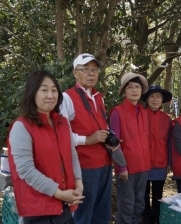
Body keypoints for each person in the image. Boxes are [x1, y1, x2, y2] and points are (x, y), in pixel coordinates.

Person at [8, 70, 84, 224]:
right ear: (32, 93)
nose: (50, 95)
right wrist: (59, 193)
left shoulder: (62, 123)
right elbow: (26, 170)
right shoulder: (21, 126)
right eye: (44, 90)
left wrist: (79, 182)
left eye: (54, 90)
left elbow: (72, 155)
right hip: (38, 210)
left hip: (65, 206)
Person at [60, 53, 119, 224]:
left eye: (94, 69)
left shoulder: (98, 97)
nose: (91, 73)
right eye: (85, 69)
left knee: (102, 214)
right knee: (82, 216)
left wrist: (109, 139)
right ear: (75, 73)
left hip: (105, 164)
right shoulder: (67, 97)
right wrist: (86, 140)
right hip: (84, 167)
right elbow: (60, 135)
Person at [110, 72, 150, 224]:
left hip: (144, 166)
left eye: (137, 87)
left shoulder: (143, 112)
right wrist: (121, 167)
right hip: (127, 167)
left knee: (139, 203)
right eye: (130, 87)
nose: (134, 90)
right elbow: (114, 143)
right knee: (127, 204)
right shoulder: (117, 112)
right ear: (123, 91)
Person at [140, 85, 172, 224]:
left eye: (158, 97)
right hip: (143, 162)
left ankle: (157, 219)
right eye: (152, 96)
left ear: (162, 100)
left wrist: (170, 162)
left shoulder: (166, 119)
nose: (155, 99)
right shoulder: (140, 114)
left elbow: (170, 142)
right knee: (144, 194)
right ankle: (146, 219)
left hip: (160, 162)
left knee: (158, 195)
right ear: (147, 98)